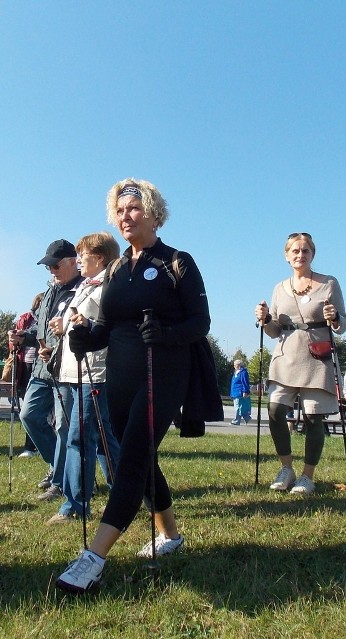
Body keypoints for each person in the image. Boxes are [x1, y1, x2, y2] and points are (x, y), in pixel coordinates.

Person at [56, 178, 221, 593]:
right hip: (122, 376)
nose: (125, 217)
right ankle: (170, 534)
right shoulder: (115, 268)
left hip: (163, 372)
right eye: (120, 210)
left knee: (129, 459)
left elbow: (200, 323)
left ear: (153, 214)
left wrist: (164, 333)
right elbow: (108, 324)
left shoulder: (176, 261)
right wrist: (87, 337)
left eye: (134, 209)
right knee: (140, 455)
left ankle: (93, 558)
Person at [255, 232, 346, 495]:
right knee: (275, 410)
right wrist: (265, 319)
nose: (300, 255)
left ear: (312, 254)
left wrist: (335, 317)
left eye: (305, 250)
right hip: (286, 356)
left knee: (313, 418)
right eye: (295, 251)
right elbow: (274, 330)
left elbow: (343, 324)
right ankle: (286, 468)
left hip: (316, 357)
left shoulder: (329, 283)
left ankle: (307, 476)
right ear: (286, 256)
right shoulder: (278, 288)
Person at [46, 232, 122, 525]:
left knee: (79, 436)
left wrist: (87, 324)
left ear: (99, 258)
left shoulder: (109, 287)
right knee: (104, 440)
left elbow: (111, 327)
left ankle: (75, 506)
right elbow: (76, 320)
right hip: (76, 370)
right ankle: (126, 492)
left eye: (83, 255)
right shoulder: (85, 285)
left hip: (95, 371)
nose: (78, 260)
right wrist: (61, 325)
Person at [19, 240, 83, 500]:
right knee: (29, 416)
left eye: (56, 266)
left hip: (65, 368)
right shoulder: (50, 290)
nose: (52, 271)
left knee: (64, 428)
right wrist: (24, 334)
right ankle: (58, 467)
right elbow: (41, 327)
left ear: (72, 262)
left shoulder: (83, 289)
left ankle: (61, 481)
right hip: (41, 369)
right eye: (48, 267)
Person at [6, 292, 44, 457]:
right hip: (24, 366)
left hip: (41, 364)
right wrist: (16, 340)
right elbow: (13, 344)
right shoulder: (25, 319)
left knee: (35, 410)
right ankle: (30, 446)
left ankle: (35, 446)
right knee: (26, 408)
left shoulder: (45, 319)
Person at [230, 359, 251, 425]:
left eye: (235, 365)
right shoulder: (236, 372)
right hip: (235, 392)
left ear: (239, 365)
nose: (234, 366)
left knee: (238, 407)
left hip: (240, 392)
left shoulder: (243, 372)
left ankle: (236, 420)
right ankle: (247, 418)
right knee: (241, 407)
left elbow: (245, 382)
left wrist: (245, 391)